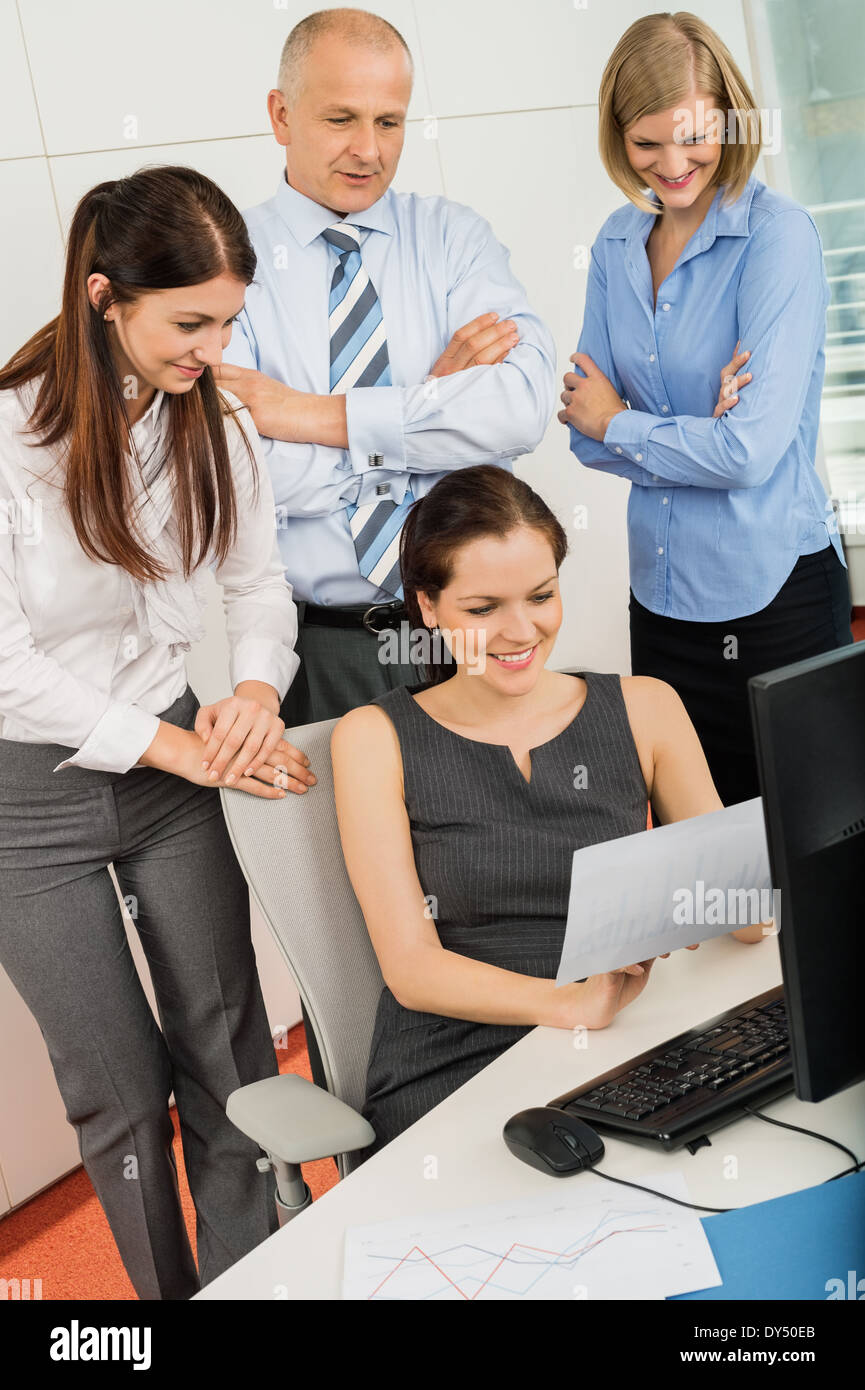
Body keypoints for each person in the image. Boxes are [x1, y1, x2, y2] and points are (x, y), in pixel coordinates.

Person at [0, 166, 316, 1300]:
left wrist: (253, 693)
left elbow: (260, 582)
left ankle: (254, 1284)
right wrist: (186, 745)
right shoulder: (8, 438)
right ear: (103, 298)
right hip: (27, 801)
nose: (212, 347)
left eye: (228, 320)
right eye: (190, 322)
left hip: (181, 765)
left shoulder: (215, 416)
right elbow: (4, 670)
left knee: (228, 1053)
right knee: (117, 1087)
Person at [331, 466, 764, 1155]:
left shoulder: (646, 706)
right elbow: (411, 970)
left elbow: (741, 920)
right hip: (458, 1053)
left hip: (625, 1032)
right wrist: (565, 1005)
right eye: (482, 609)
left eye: (541, 595)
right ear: (428, 607)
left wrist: (721, 898)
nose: (520, 630)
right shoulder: (372, 738)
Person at [215, 7, 556, 726]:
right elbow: (243, 475)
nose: (367, 150)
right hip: (323, 645)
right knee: (341, 841)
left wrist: (309, 416)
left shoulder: (453, 239)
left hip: (467, 636)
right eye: (341, 118)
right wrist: (429, 410)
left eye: (389, 122)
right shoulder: (223, 262)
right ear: (281, 115)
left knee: (486, 838)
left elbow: (519, 410)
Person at [558, 11, 853, 810]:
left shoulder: (776, 237)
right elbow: (581, 435)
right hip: (659, 601)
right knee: (704, 860)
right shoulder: (617, 243)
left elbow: (749, 455)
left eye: (692, 137)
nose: (672, 164)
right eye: (645, 143)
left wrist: (625, 421)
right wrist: (698, 433)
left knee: (810, 856)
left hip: (775, 599)